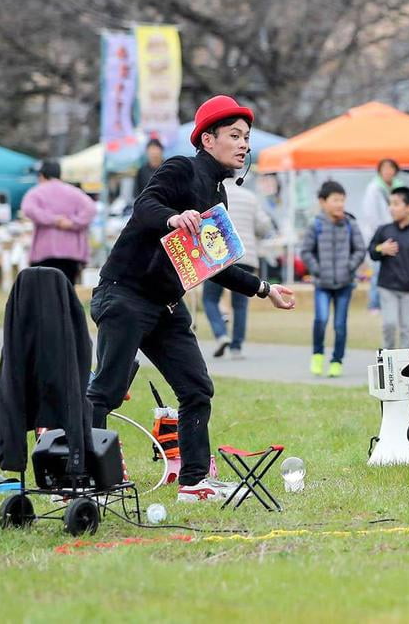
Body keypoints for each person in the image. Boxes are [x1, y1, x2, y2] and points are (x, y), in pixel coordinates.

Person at [87, 95, 295, 504]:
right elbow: (144, 204)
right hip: (124, 294)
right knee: (106, 392)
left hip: (166, 305)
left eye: (247, 137)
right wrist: (172, 217)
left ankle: (194, 482)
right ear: (207, 139)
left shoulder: (219, 195)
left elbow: (215, 263)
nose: (243, 144)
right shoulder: (180, 168)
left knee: (197, 388)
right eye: (234, 135)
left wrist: (266, 290)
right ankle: (85, 483)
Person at [301, 180, 366, 377]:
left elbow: (360, 249)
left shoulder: (350, 224)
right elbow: (306, 252)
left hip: (345, 284)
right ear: (323, 202)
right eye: (335, 200)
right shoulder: (316, 224)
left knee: (340, 324)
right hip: (322, 283)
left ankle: (337, 360)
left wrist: (349, 267)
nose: (340, 204)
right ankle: (317, 355)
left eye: (342, 200)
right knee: (320, 320)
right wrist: (317, 269)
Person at [205, 178, 275, 359]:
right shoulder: (250, 197)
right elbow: (264, 226)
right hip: (246, 254)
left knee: (210, 298)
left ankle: (221, 335)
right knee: (240, 304)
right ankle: (237, 347)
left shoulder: (212, 194)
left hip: (219, 255)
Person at [369, 186, 409, 350]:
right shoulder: (384, 230)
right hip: (388, 287)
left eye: (396, 204)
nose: (391, 208)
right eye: (390, 203)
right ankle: (387, 360)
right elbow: (371, 251)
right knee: (389, 325)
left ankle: (406, 367)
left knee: (407, 328)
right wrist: (380, 249)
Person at [20, 160, 97, 287]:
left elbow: (28, 209)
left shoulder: (36, 192)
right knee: (66, 291)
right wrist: (73, 222)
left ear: (42, 175)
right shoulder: (75, 192)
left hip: (44, 252)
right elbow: (90, 209)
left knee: (45, 292)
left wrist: (52, 219)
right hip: (71, 252)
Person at [359, 158, 405, 313]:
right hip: (378, 234)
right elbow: (370, 214)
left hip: (397, 234)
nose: (388, 172)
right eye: (385, 168)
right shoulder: (374, 188)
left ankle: (390, 303)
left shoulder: (400, 187)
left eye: (391, 168)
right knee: (378, 269)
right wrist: (382, 233)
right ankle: (374, 304)